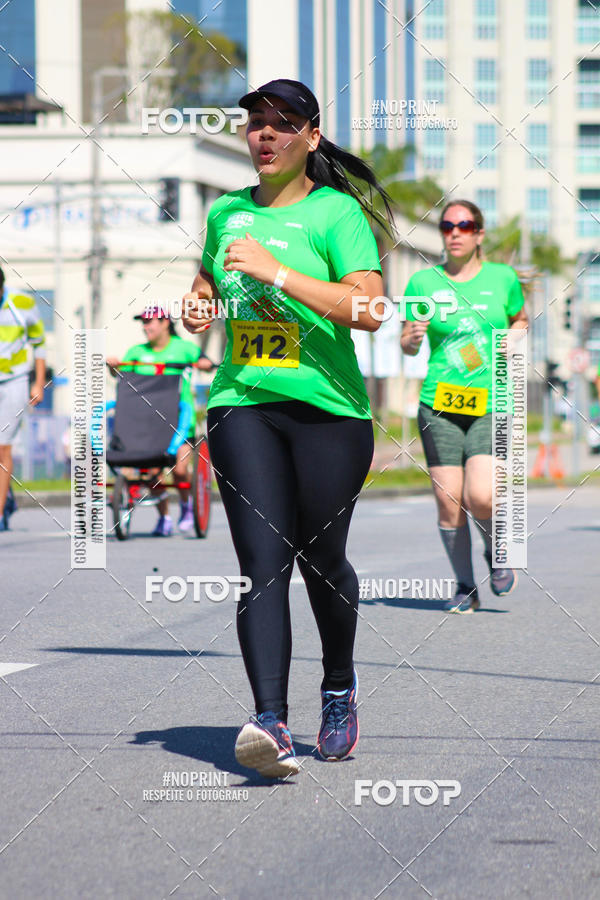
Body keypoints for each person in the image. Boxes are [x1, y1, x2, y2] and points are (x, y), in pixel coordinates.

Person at [182, 78, 394, 777]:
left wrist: (279, 273)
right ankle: (269, 721)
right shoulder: (225, 214)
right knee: (262, 563)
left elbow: (370, 311)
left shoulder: (337, 216)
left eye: (280, 125)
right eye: (254, 126)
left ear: (311, 134)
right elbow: (210, 283)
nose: (264, 137)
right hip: (244, 402)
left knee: (321, 562)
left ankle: (338, 687)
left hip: (329, 411)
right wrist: (199, 306)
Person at [401, 199, 528, 613]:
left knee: (483, 497)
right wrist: (413, 339)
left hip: (493, 401)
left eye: (464, 225)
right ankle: (464, 586)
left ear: (479, 234)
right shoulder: (422, 283)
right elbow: (405, 342)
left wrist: (517, 336)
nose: (454, 232)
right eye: (447, 225)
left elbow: (520, 318)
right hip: (437, 403)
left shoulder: (503, 277)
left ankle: (498, 552)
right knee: (447, 499)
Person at [106, 305, 213, 536]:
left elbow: (204, 360)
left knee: (181, 470)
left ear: (165, 322)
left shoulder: (183, 348)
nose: (146, 326)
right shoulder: (136, 351)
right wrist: (114, 368)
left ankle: (186, 506)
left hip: (180, 418)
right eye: (143, 322)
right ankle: (164, 517)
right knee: (152, 468)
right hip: (150, 421)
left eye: (150, 321)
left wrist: (205, 363)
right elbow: (122, 376)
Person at [0, 266, 46, 531]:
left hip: (14, 379)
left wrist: (38, 383)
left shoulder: (22, 303)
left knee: (3, 447)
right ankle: (6, 498)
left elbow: (38, 344)